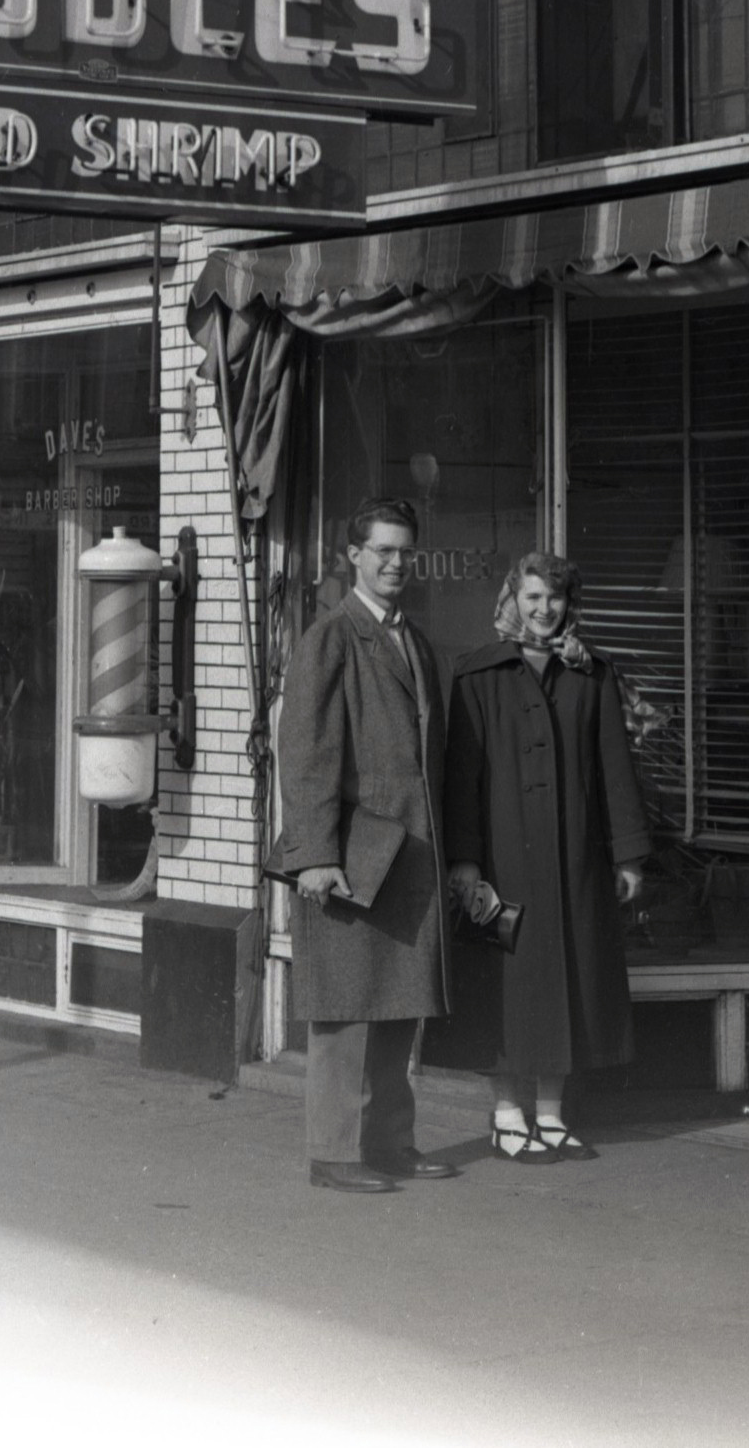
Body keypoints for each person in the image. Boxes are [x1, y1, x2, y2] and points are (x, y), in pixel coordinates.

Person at [271, 496, 456, 1194]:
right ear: (351, 555)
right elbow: (307, 754)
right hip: (351, 855)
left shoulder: (414, 641)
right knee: (347, 1008)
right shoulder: (330, 636)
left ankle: (389, 1144)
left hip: (408, 854)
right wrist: (314, 855)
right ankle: (335, 1152)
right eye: (381, 550)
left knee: (396, 1004)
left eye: (404, 551)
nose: (394, 563)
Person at [442, 553, 651, 1161]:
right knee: (502, 982)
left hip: (573, 860)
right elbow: (462, 778)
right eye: (532, 597)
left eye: (555, 599)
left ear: (569, 604)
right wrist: (465, 861)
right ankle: (508, 1112)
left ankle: (553, 1114)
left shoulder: (591, 675)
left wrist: (629, 856)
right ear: (513, 598)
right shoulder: (477, 675)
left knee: (567, 979)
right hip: (499, 860)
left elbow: (616, 767)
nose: (543, 610)